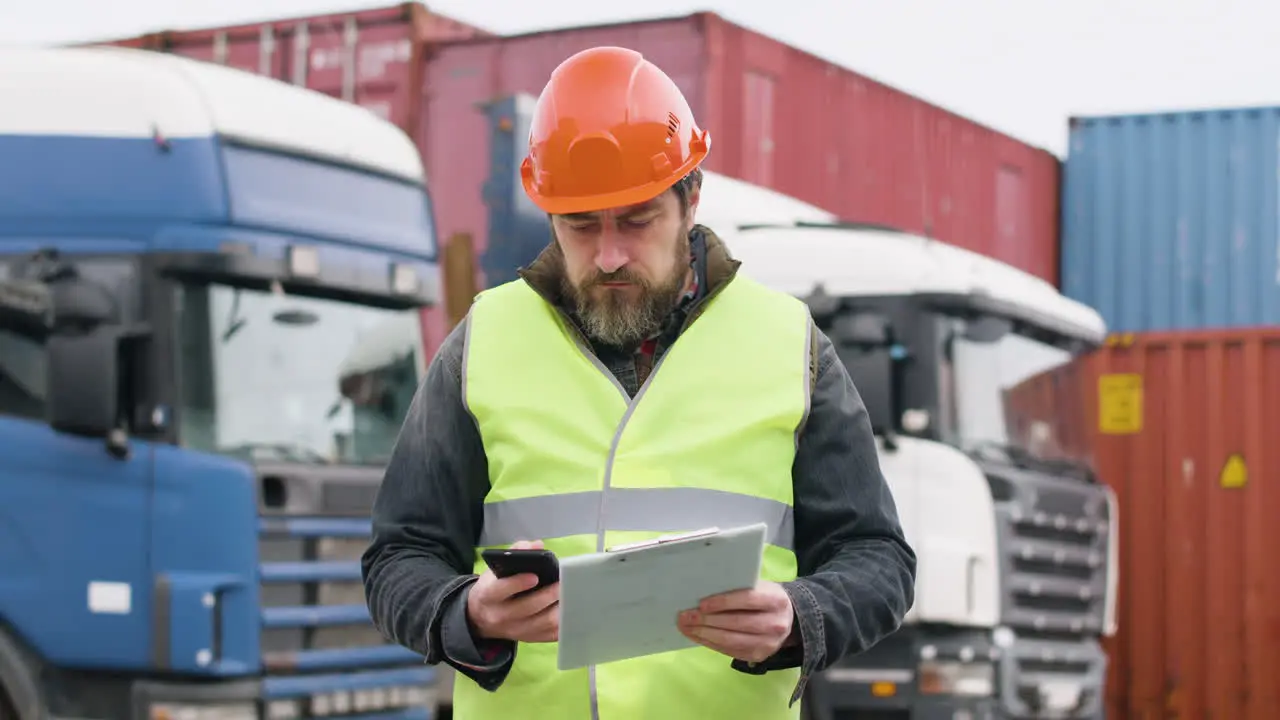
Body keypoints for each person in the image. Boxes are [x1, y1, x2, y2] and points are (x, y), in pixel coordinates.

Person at [362, 45, 916, 720]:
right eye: (581, 226)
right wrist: (466, 613)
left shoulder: (790, 346)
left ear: (691, 200)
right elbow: (398, 557)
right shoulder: (484, 342)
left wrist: (803, 617)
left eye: (636, 218)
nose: (609, 254)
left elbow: (878, 560)